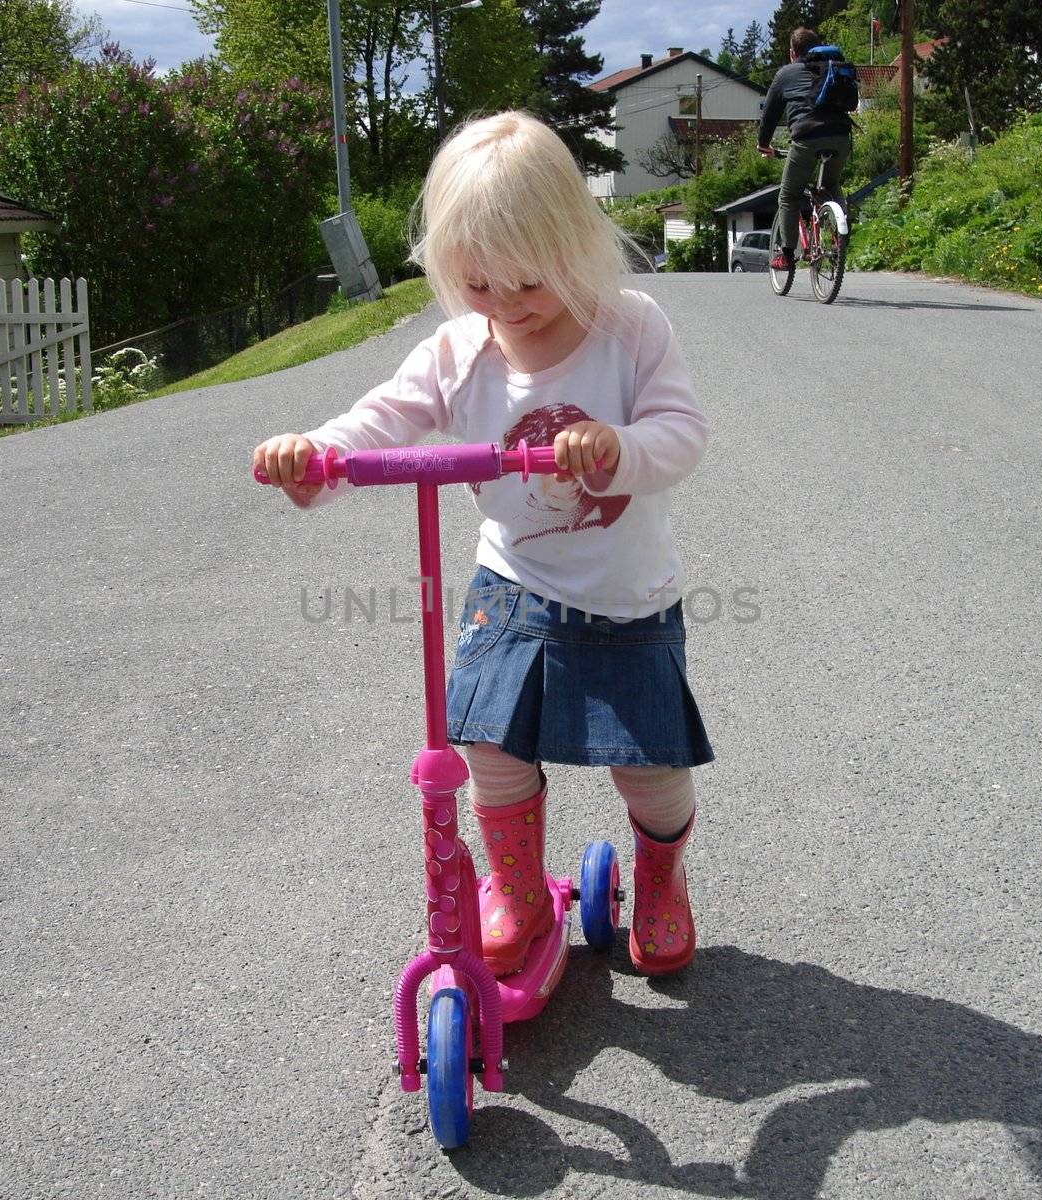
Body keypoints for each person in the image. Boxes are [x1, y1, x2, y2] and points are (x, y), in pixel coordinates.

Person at [253, 111, 713, 979]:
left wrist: (620, 447)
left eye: (528, 281)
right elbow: (382, 418)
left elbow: (683, 433)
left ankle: (661, 878)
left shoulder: (630, 329)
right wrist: (318, 454)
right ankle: (519, 891)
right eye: (478, 284)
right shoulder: (459, 350)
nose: (505, 305)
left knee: (650, 766)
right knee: (489, 744)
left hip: (627, 596)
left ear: (576, 244)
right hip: (514, 584)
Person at [757, 26, 855, 270]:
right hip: (841, 136)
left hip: (806, 138)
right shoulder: (832, 68)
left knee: (789, 195)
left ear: (793, 53)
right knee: (831, 185)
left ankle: (787, 255)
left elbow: (769, 114)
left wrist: (763, 143)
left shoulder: (785, 74)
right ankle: (841, 235)